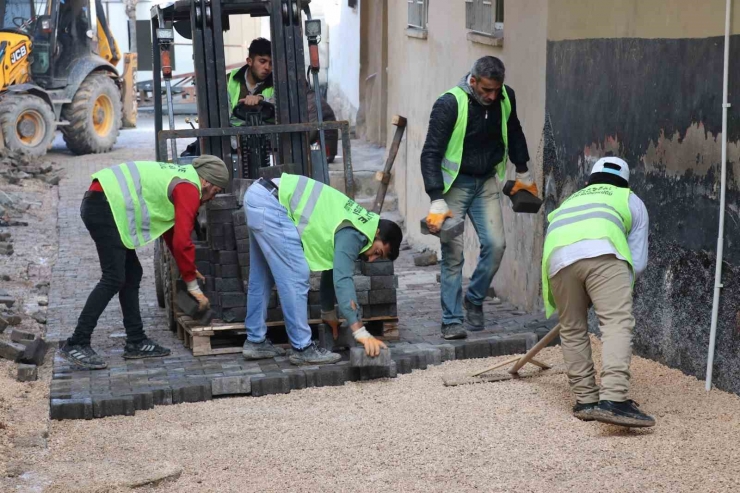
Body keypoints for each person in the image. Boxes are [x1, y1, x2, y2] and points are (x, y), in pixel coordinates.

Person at [58, 156, 230, 370]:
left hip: (105, 203)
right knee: (113, 278)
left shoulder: (182, 178)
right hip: (103, 205)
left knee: (132, 274)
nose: (214, 197)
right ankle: (77, 342)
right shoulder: (188, 188)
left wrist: (187, 266)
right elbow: (183, 240)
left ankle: (136, 340)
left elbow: (171, 230)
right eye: (216, 191)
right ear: (206, 182)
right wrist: (192, 285)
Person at [420, 56, 536, 340]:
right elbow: (430, 153)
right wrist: (436, 197)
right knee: (453, 254)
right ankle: (451, 320)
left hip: (485, 182)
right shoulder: (449, 104)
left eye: (496, 90)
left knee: (496, 245)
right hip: (454, 186)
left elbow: (515, 130)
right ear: (473, 81)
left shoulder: (506, 98)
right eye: (486, 90)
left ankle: (474, 298)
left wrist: (523, 170)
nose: (492, 96)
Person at [241, 175, 403, 365]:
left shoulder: (358, 222)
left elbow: (331, 270)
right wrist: (360, 330)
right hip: (272, 203)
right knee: (296, 275)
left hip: (260, 195)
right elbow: (342, 279)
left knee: (262, 277)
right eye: (377, 251)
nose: (371, 258)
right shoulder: (355, 233)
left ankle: (255, 341)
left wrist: (328, 313)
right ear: (377, 233)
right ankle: (302, 348)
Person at [542, 157, 654, 428]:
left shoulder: (570, 201)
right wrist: (610, 292)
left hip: (557, 258)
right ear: (626, 183)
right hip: (603, 252)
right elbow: (636, 263)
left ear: (588, 181)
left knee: (572, 328)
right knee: (617, 323)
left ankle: (586, 400)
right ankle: (614, 399)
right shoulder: (631, 200)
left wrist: (586, 289)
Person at [227, 37, 274, 114]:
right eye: (262, 61)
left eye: (271, 63)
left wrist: (261, 99)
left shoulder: (277, 82)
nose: (267, 67)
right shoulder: (228, 81)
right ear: (249, 61)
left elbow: (281, 104)